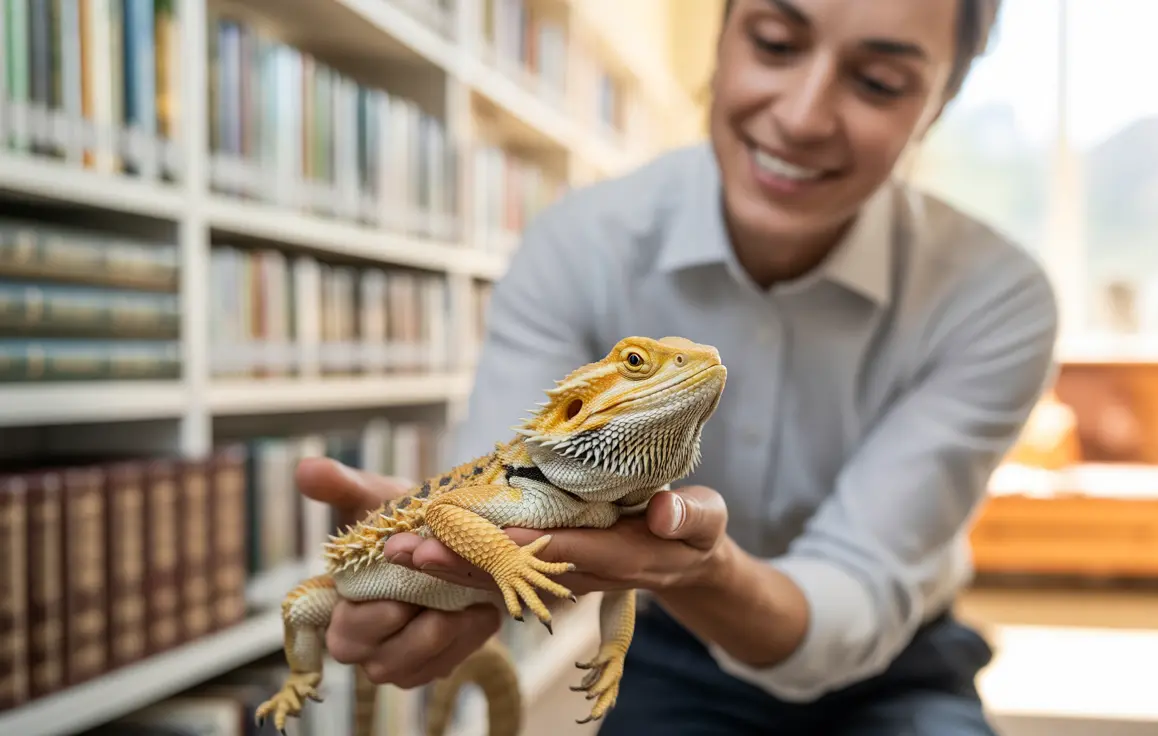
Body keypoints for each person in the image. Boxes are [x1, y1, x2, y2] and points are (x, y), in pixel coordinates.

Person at [295, 0, 1059, 732]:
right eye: (775, 43)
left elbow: (856, 590)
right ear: (720, 41)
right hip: (669, 638)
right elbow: (511, 490)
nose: (802, 117)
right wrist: (447, 581)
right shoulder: (578, 242)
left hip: (898, 660)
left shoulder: (995, 296)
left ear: (939, 103)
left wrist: (705, 571)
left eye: (880, 82)